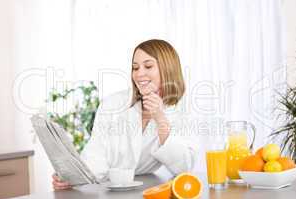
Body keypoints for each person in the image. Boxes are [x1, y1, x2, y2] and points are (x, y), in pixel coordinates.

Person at [52, 39, 198, 190]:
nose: (139, 74)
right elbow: (96, 154)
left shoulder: (180, 110)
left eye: (148, 66)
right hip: (109, 192)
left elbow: (184, 167)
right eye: (135, 68)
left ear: (168, 68)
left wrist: (160, 119)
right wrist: (74, 177)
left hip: (145, 191)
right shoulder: (112, 104)